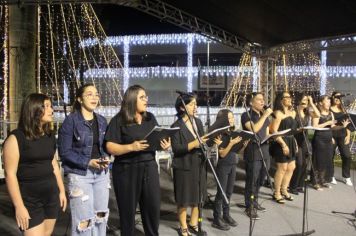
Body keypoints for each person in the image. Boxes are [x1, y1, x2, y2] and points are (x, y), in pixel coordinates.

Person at [105, 85, 171, 236]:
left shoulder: (150, 118)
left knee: (152, 209)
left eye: (146, 97)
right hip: (126, 170)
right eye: (142, 97)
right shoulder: (119, 120)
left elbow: (157, 138)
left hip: (149, 167)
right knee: (127, 212)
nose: (146, 100)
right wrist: (131, 147)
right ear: (132, 99)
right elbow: (109, 146)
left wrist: (165, 145)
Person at [4, 93, 67, 235]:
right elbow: (10, 174)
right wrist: (19, 206)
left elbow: (54, 165)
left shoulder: (50, 136)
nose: (51, 110)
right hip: (29, 199)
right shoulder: (16, 138)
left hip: (51, 196)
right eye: (46, 107)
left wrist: (62, 191)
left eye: (51, 106)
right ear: (33, 109)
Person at [58, 84, 110, 235]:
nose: (94, 97)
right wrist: (87, 162)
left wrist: (106, 157)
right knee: (84, 222)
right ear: (80, 99)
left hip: (101, 173)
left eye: (96, 94)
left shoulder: (101, 121)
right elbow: (64, 152)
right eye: (89, 94)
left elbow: (104, 147)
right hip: (80, 174)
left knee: (101, 216)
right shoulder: (71, 121)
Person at [171, 93, 209, 236]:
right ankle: (183, 226)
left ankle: (193, 223)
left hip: (198, 164)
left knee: (198, 196)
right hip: (183, 166)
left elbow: (203, 142)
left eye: (196, 104)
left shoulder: (198, 122)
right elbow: (177, 149)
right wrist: (195, 143)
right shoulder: (176, 126)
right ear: (182, 107)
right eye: (192, 104)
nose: (195, 107)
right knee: (184, 198)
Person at [210, 109, 244, 230]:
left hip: (233, 164)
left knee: (229, 192)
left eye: (232, 117)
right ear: (223, 119)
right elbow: (223, 154)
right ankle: (216, 218)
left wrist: (242, 145)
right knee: (221, 193)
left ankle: (226, 214)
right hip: (223, 165)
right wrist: (231, 143)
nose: (232, 120)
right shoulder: (219, 134)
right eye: (229, 118)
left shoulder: (232, 133)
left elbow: (235, 151)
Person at [241, 92, 273, 219]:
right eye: (259, 99)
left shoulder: (262, 116)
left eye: (263, 99)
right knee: (252, 180)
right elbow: (254, 129)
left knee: (261, 179)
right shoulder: (246, 115)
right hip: (253, 151)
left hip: (264, 150)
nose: (262, 102)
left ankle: (255, 201)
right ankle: (249, 206)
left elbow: (265, 132)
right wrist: (265, 115)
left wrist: (270, 137)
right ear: (251, 102)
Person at [270, 91, 297, 203]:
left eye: (290, 97)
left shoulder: (293, 113)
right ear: (281, 100)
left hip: (291, 140)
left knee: (291, 167)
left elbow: (292, 131)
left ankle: (284, 190)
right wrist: (283, 144)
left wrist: (294, 142)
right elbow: (273, 131)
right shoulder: (278, 113)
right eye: (287, 97)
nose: (290, 99)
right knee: (282, 168)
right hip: (281, 142)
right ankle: (276, 193)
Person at [289, 94, 320, 194]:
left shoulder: (308, 112)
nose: (305, 102)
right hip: (297, 139)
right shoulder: (294, 112)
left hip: (305, 140)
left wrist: (311, 103)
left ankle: (300, 185)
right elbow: (291, 128)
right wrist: (298, 130)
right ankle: (292, 186)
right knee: (299, 163)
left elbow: (318, 115)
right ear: (299, 101)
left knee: (305, 164)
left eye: (307, 100)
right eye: (304, 100)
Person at [311, 95, 335, 190]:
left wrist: (342, 126)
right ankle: (315, 182)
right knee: (318, 160)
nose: (329, 103)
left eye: (329, 101)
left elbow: (332, 127)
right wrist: (327, 123)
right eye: (327, 101)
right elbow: (314, 126)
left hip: (328, 138)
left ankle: (323, 180)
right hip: (319, 138)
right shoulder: (317, 113)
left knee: (326, 160)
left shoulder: (331, 113)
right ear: (321, 103)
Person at [329, 91, 353, 186]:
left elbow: (347, 124)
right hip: (332, 135)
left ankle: (346, 177)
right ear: (332, 97)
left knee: (347, 155)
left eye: (339, 97)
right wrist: (330, 136)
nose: (337, 99)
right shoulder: (329, 109)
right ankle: (331, 176)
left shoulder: (344, 109)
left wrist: (348, 136)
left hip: (343, 135)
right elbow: (329, 125)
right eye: (336, 97)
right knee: (331, 155)